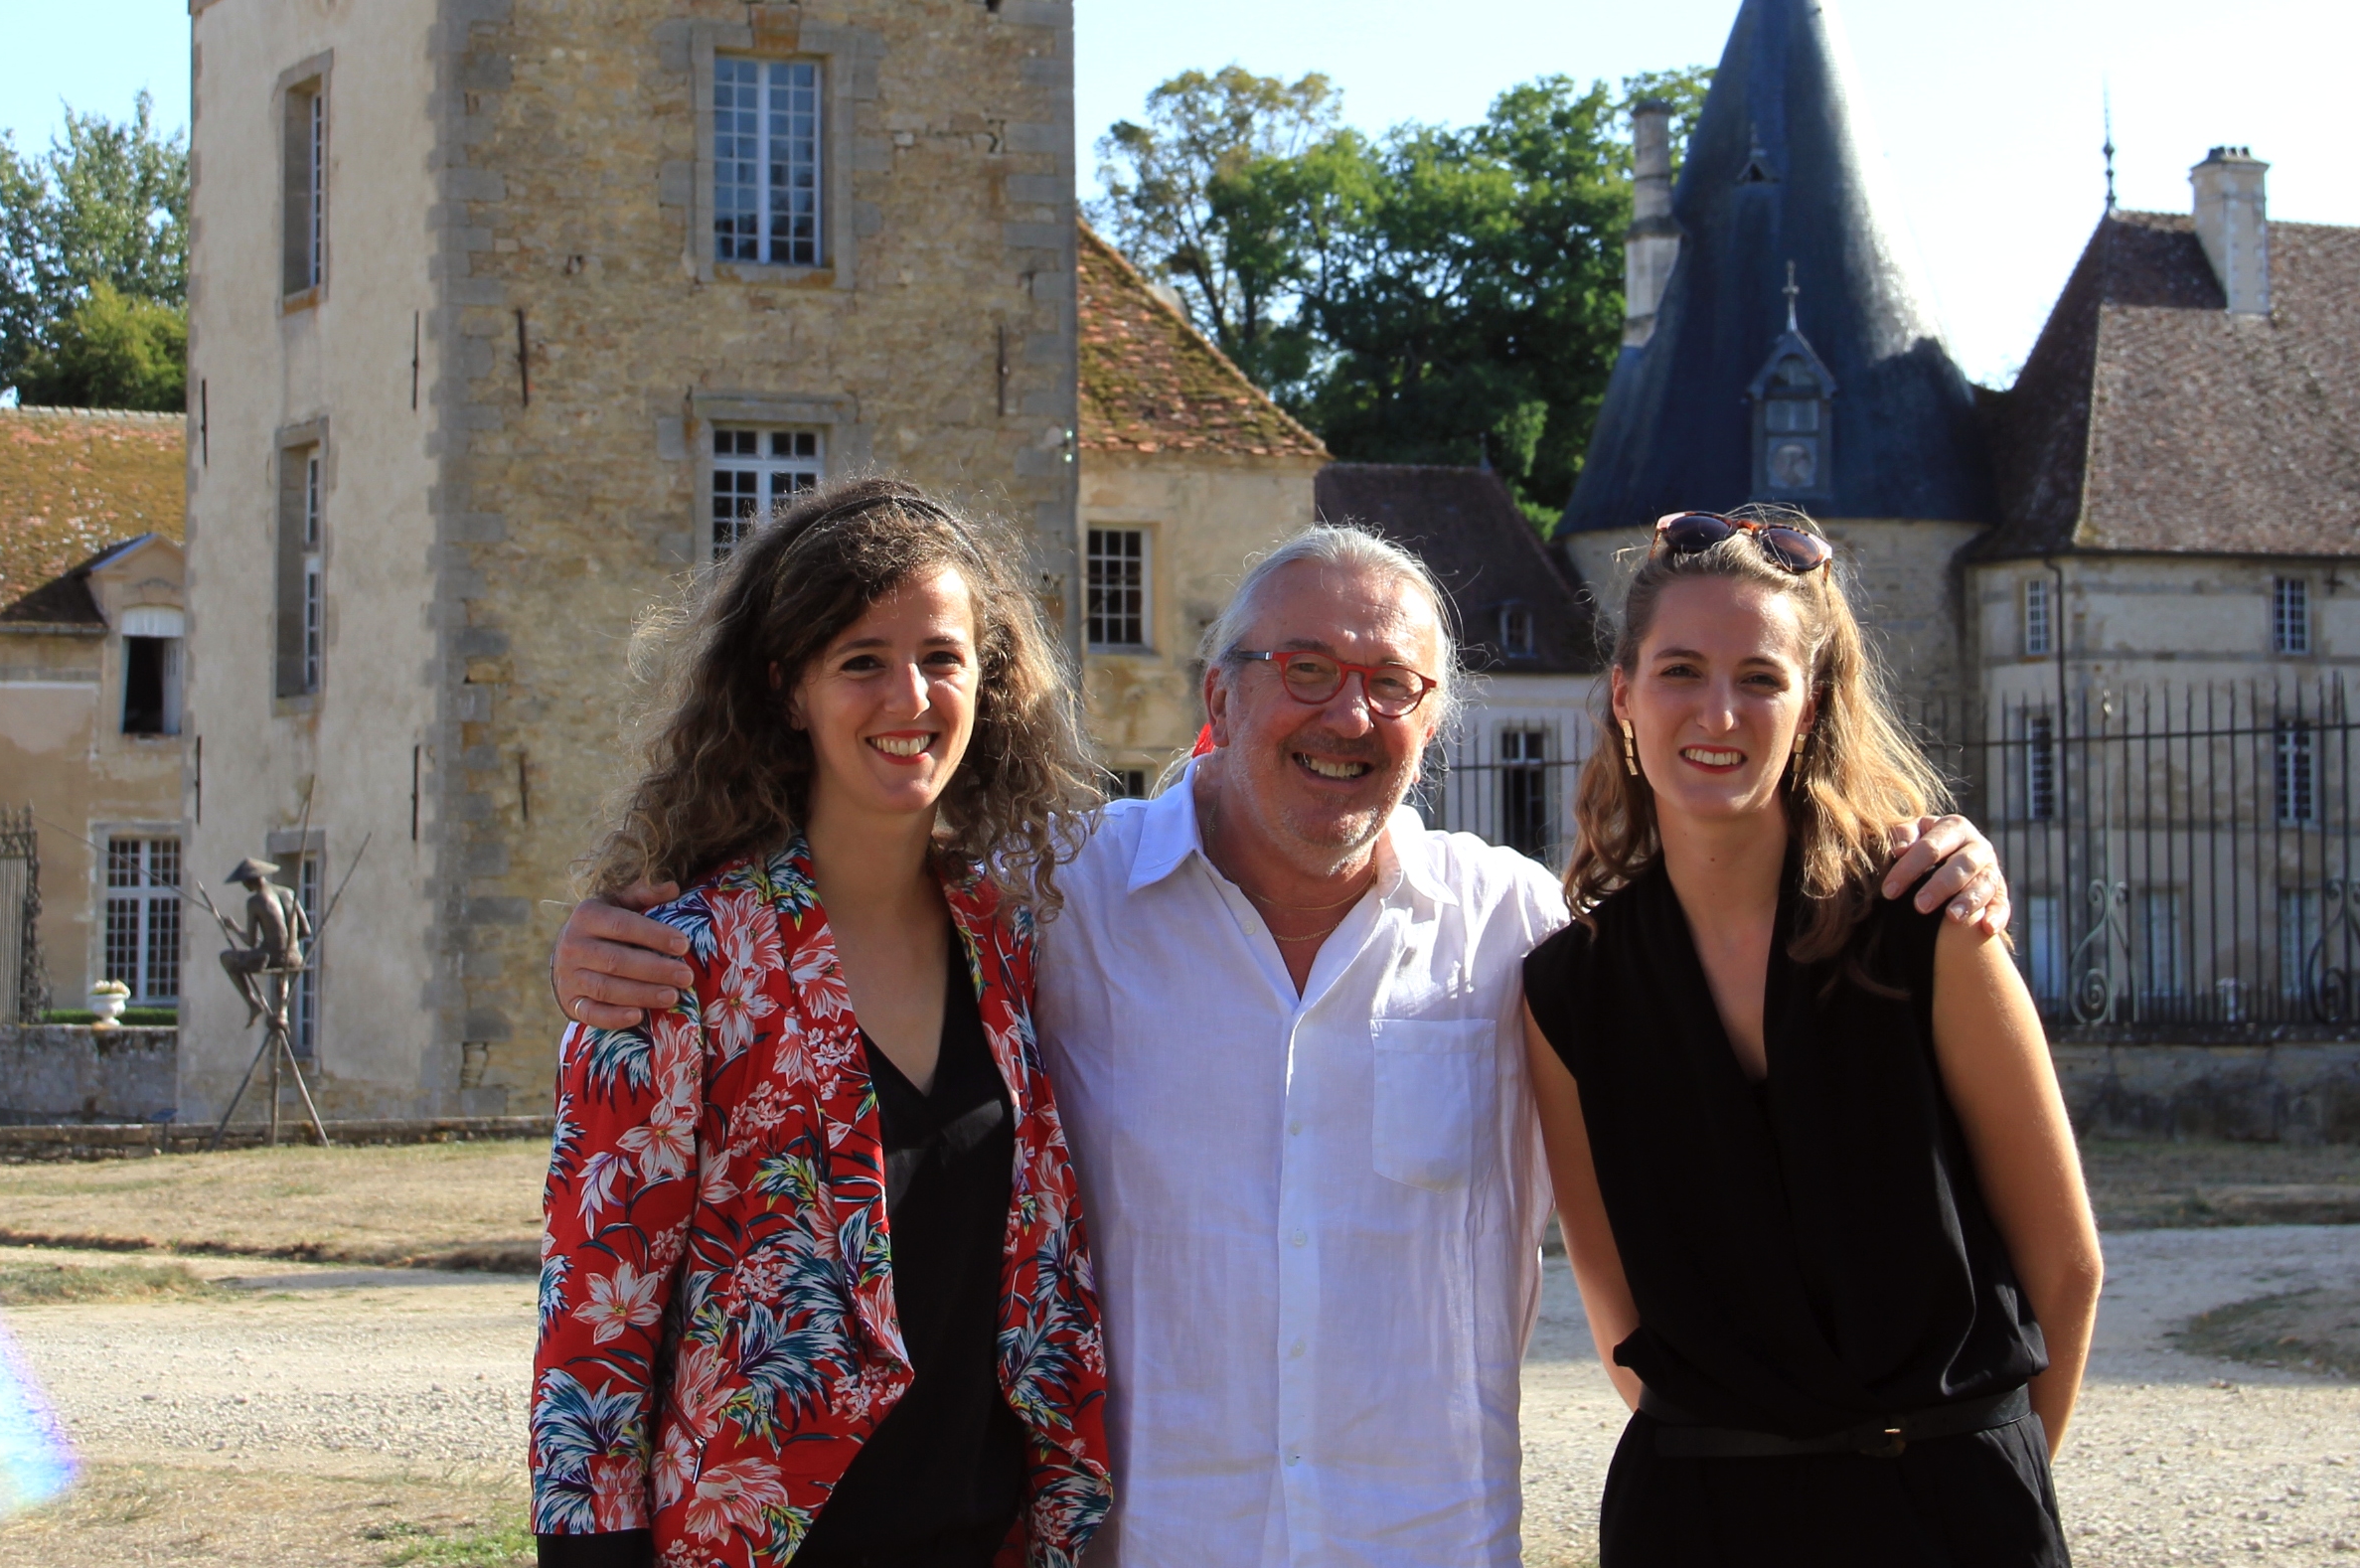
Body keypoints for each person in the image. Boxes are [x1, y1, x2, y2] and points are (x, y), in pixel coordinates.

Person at [552, 523, 2007, 1568]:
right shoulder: (1067, 898)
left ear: (1436, 724)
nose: (1348, 712)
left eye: (1393, 683)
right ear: (1218, 701)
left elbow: (1733, 916)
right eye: (1301, 668)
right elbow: (858, 848)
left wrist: (1933, 851)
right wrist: (612, 932)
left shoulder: (1526, 939)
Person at [529, 478, 1111, 1568]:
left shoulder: (1015, 942)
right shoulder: (678, 960)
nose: (910, 695)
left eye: (942, 657)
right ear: (788, 689)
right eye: (860, 661)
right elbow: (590, 1333)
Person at [1522, 509, 2103, 1568]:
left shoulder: (1929, 924)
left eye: (1760, 676)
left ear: (1814, 702)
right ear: (1623, 694)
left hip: (1952, 1516)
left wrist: (1989, 1478)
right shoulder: (1569, 991)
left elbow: (2066, 1264)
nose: (1718, 711)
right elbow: (1620, 1321)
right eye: (1681, 670)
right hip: (1695, 1523)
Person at [217, 857, 309, 1022]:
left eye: (244, 883)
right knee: (283, 969)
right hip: (295, 957)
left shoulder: (256, 901)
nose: (244, 887)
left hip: (272, 958)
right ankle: (282, 1011)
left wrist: (234, 927)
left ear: (249, 881)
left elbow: (250, 942)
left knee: (226, 958)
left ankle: (252, 1003)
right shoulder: (288, 893)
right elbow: (305, 930)